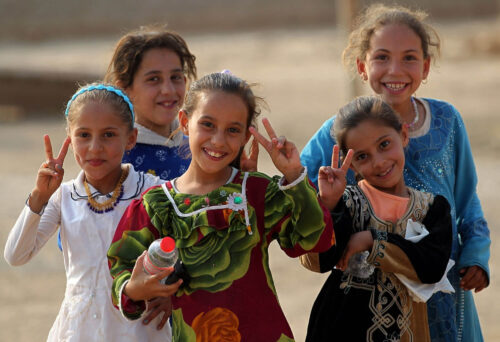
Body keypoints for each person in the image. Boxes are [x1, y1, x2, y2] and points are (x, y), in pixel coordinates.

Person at [300, 4, 490, 341]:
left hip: (441, 279)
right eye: (382, 57)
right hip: (371, 293)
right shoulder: (341, 130)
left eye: (409, 58)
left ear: (426, 67)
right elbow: (304, 186)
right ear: (362, 66)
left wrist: (475, 254)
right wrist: (316, 195)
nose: (395, 70)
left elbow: (466, 198)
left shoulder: (446, 121)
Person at [107, 72, 334, 342]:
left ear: (246, 138)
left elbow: (314, 241)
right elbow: (121, 266)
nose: (218, 140)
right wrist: (134, 290)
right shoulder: (155, 205)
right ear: (184, 122)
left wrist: (295, 177)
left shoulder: (259, 192)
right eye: (207, 124)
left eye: (233, 130)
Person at [4, 83, 175, 342]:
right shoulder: (64, 196)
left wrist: (175, 295)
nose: (95, 148)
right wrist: (39, 196)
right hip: (76, 332)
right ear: (70, 140)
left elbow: (189, 250)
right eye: (84, 135)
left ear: (131, 138)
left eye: (108, 135)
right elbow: (16, 255)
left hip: (138, 331)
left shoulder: (153, 192)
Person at [301, 95, 453, 342]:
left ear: (403, 136)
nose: (379, 162)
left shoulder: (432, 209)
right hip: (339, 329)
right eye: (362, 156)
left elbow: (432, 268)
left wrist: (373, 240)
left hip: (407, 331)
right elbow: (317, 262)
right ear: (351, 167)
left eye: (384, 144)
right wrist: (328, 205)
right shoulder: (348, 203)